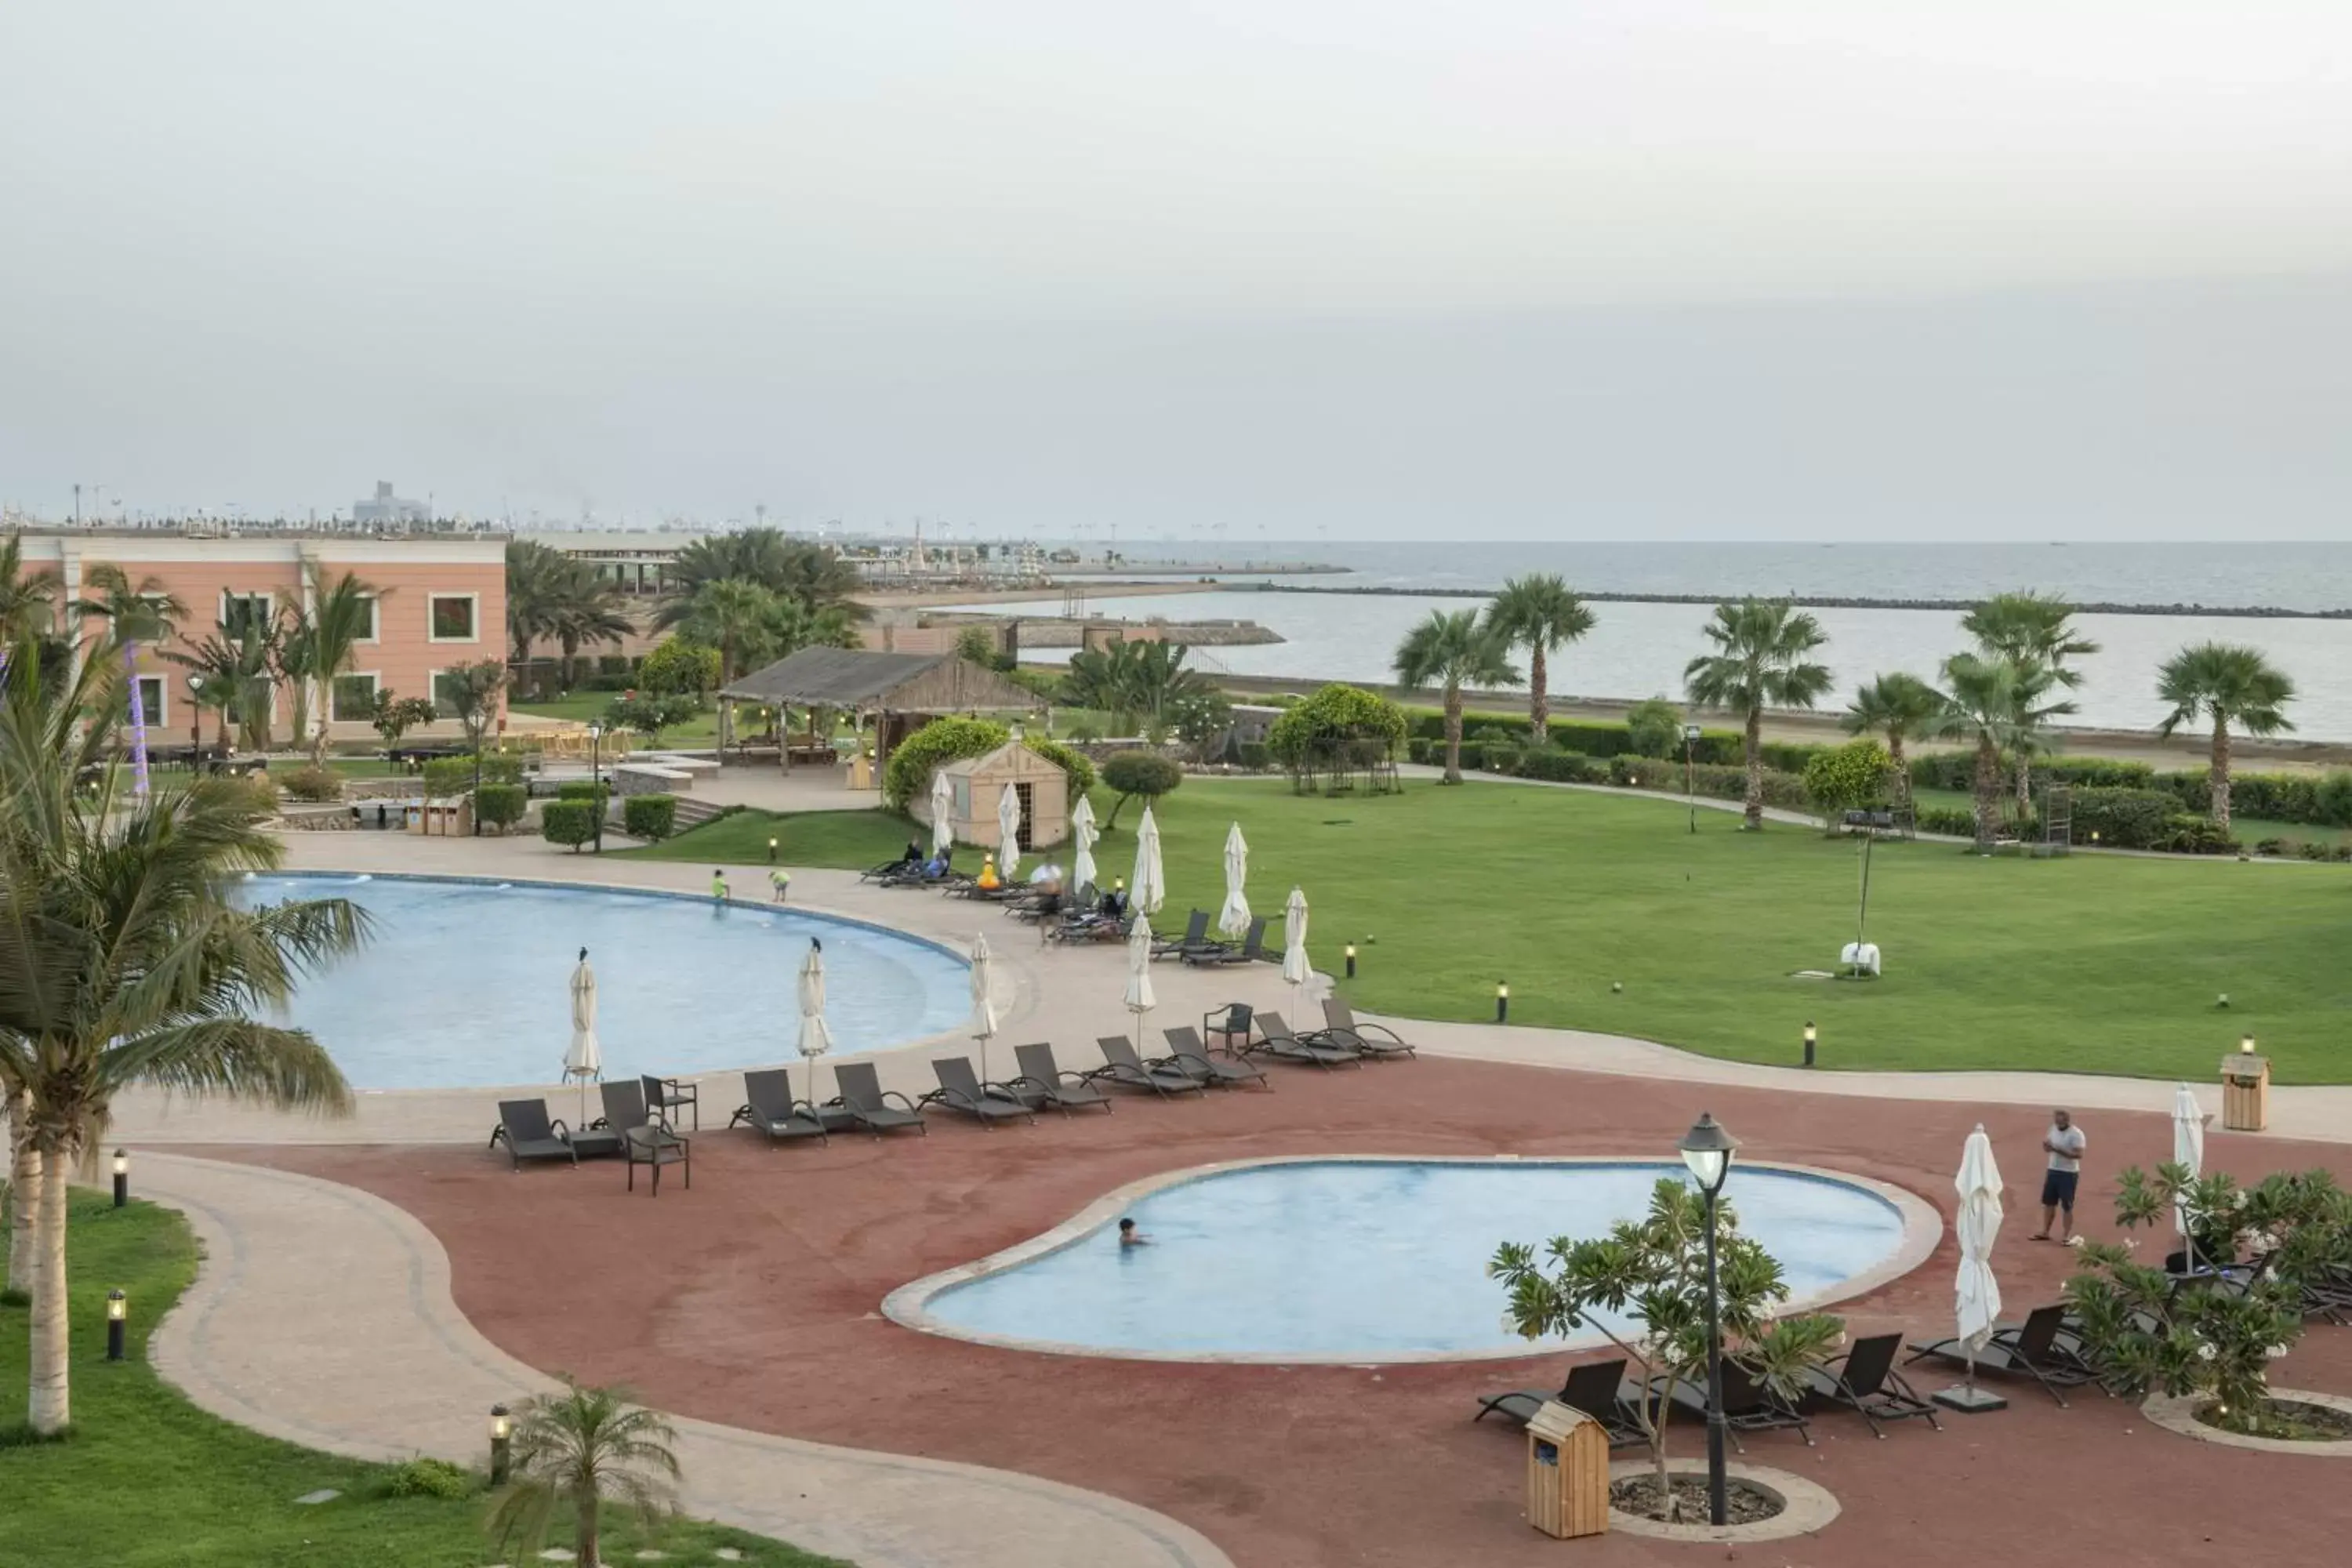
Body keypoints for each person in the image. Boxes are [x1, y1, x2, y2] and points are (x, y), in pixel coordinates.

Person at [2033, 1109, 2087, 1241]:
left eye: (2060, 1121)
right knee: (2049, 1202)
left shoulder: (2076, 1134)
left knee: (2067, 1205)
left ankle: (2066, 1235)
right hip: (2053, 1170)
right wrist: (2046, 1147)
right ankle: (2045, 1231)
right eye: (2056, 1120)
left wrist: (2056, 1149)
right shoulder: (2053, 1129)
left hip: (2068, 1173)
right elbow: (2048, 1146)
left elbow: (2079, 1154)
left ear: (2067, 1120)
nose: (2057, 1123)